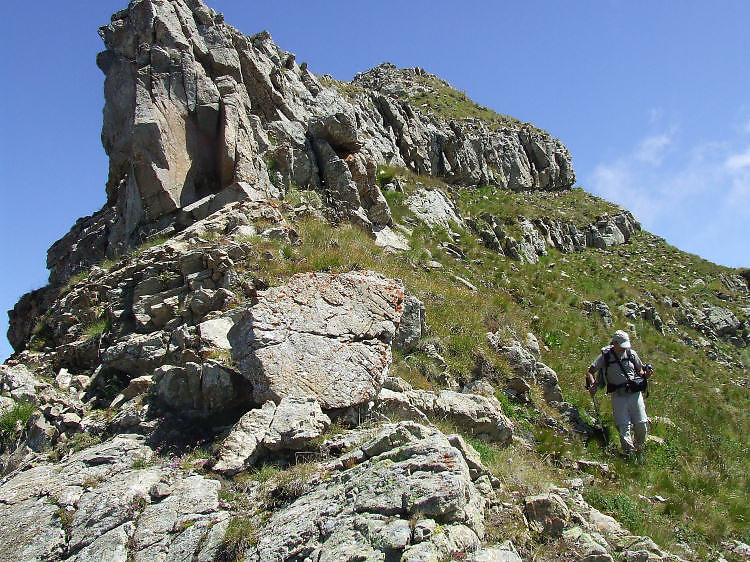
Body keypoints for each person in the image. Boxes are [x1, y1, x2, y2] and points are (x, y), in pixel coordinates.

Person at [585, 330, 653, 458]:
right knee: (623, 427)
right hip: (618, 396)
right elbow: (590, 371)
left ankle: (640, 452)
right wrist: (593, 384)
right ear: (614, 343)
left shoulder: (631, 354)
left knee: (641, 424)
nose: (623, 348)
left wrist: (646, 374)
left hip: (635, 394)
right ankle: (630, 455)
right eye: (621, 346)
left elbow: (640, 371)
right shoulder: (605, 356)